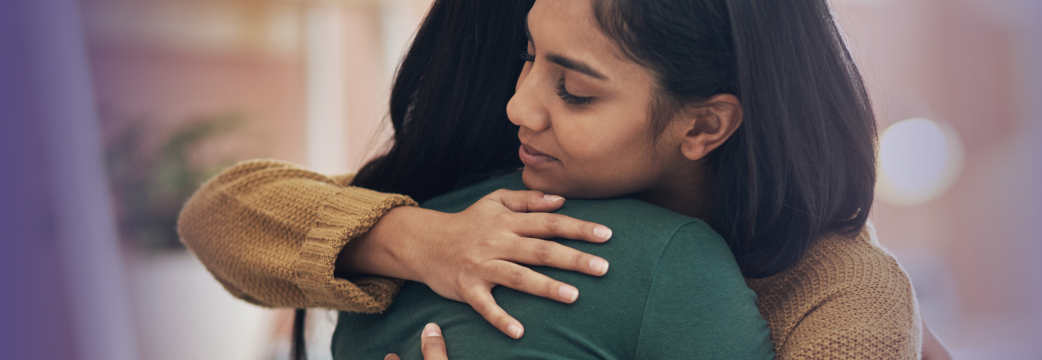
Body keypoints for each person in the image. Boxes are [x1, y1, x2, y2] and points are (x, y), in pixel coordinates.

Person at [179, 0, 946, 358]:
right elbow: (219, 217)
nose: (518, 105)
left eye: (575, 91)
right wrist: (423, 241)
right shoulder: (512, 208)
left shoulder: (843, 294)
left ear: (704, 125)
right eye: (527, 55)